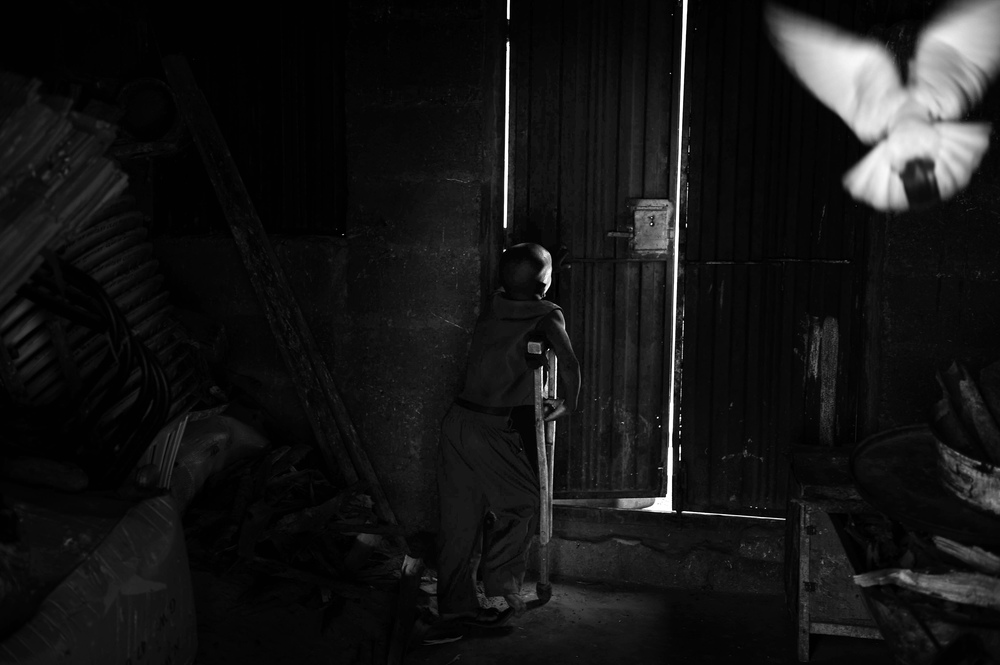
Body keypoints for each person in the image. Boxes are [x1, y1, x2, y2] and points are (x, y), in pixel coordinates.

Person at [434, 242, 581, 632]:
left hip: (457, 421)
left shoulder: (494, 304)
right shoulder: (547, 314)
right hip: (490, 430)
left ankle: (456, 607)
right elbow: (568, 362)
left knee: (459, 520)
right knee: (522, 502)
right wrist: (569, 402)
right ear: (546, 282)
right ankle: (501, 583)